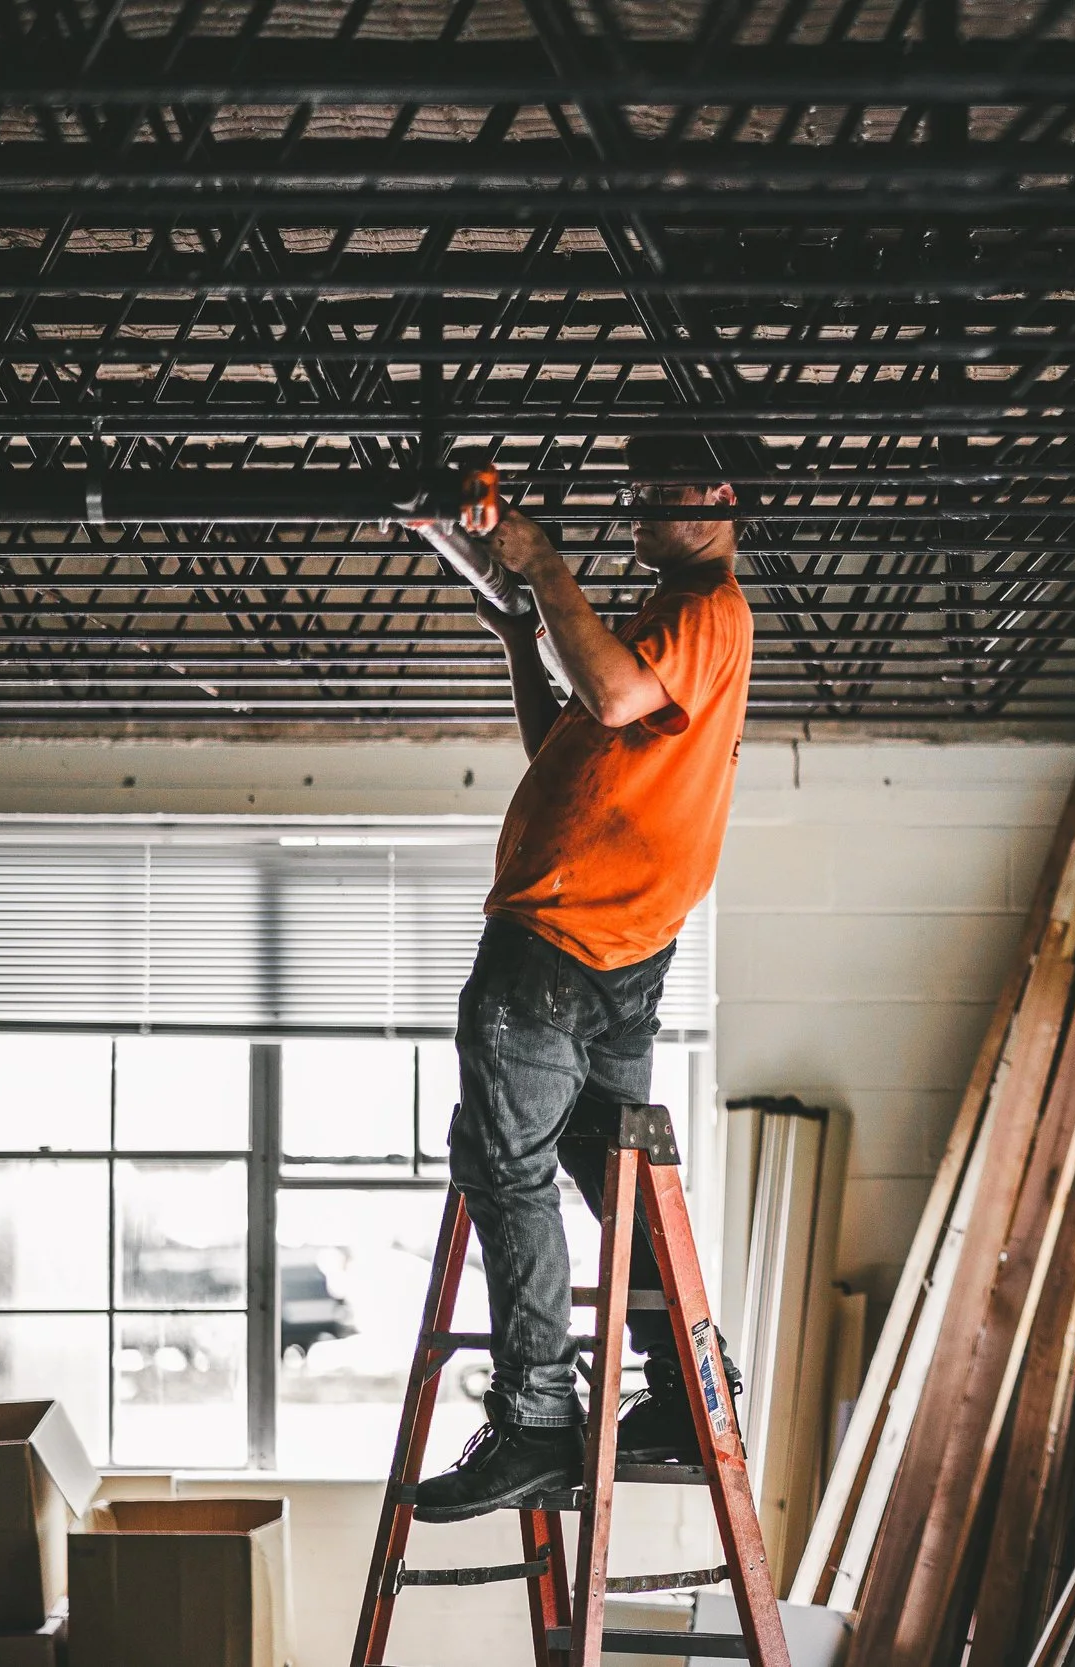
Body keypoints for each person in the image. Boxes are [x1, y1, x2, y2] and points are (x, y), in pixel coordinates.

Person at [412, 437, 753, 1523]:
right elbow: (568, 735)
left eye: (670, 491)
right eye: (639, 491)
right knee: (607, 1171)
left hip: (558, 941)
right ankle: (680, 1397)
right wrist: (523, 636)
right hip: (617, 951)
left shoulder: (702, 608)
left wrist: (546, 566)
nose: (646, 508)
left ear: (724, 498)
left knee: (503, 1167)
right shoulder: (672, 621)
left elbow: (603, 698)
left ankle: (538, 1416)